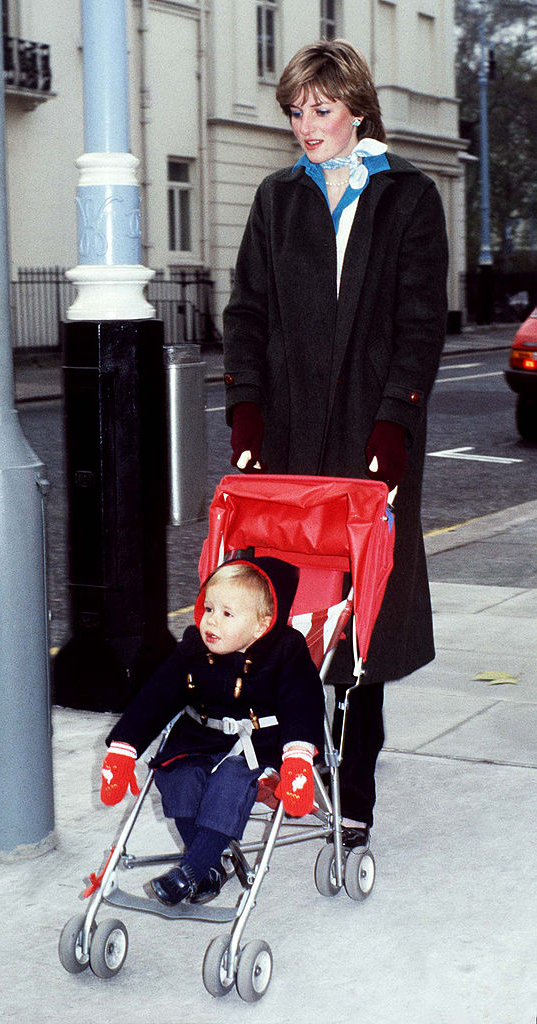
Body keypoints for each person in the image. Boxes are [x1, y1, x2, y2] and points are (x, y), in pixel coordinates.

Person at [222, 39, 449, 846]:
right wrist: (246, 409)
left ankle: (355, 792)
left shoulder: (408, 195)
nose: (306, 125)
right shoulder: (277, 198)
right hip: (288, 445)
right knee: (287, 607)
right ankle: (290, 762)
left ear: (356, 107)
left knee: (362, 621)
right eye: (295, 111)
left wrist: (396, 418)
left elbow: (420, 322)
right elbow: (246, 313)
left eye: (320, 109)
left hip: (370, 439)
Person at [100, 554, 325, 905]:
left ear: (260, 625)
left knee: (228, 786)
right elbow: (157, 695)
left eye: (227, 614)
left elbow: (303, 701)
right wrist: (124, 747)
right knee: (177, 779)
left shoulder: (285, 650)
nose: (211, 621)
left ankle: (190, 873)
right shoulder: (193, 647)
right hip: (198, 736)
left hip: (255, 745)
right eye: (209, 609)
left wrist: (298, 756)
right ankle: (208, 868)